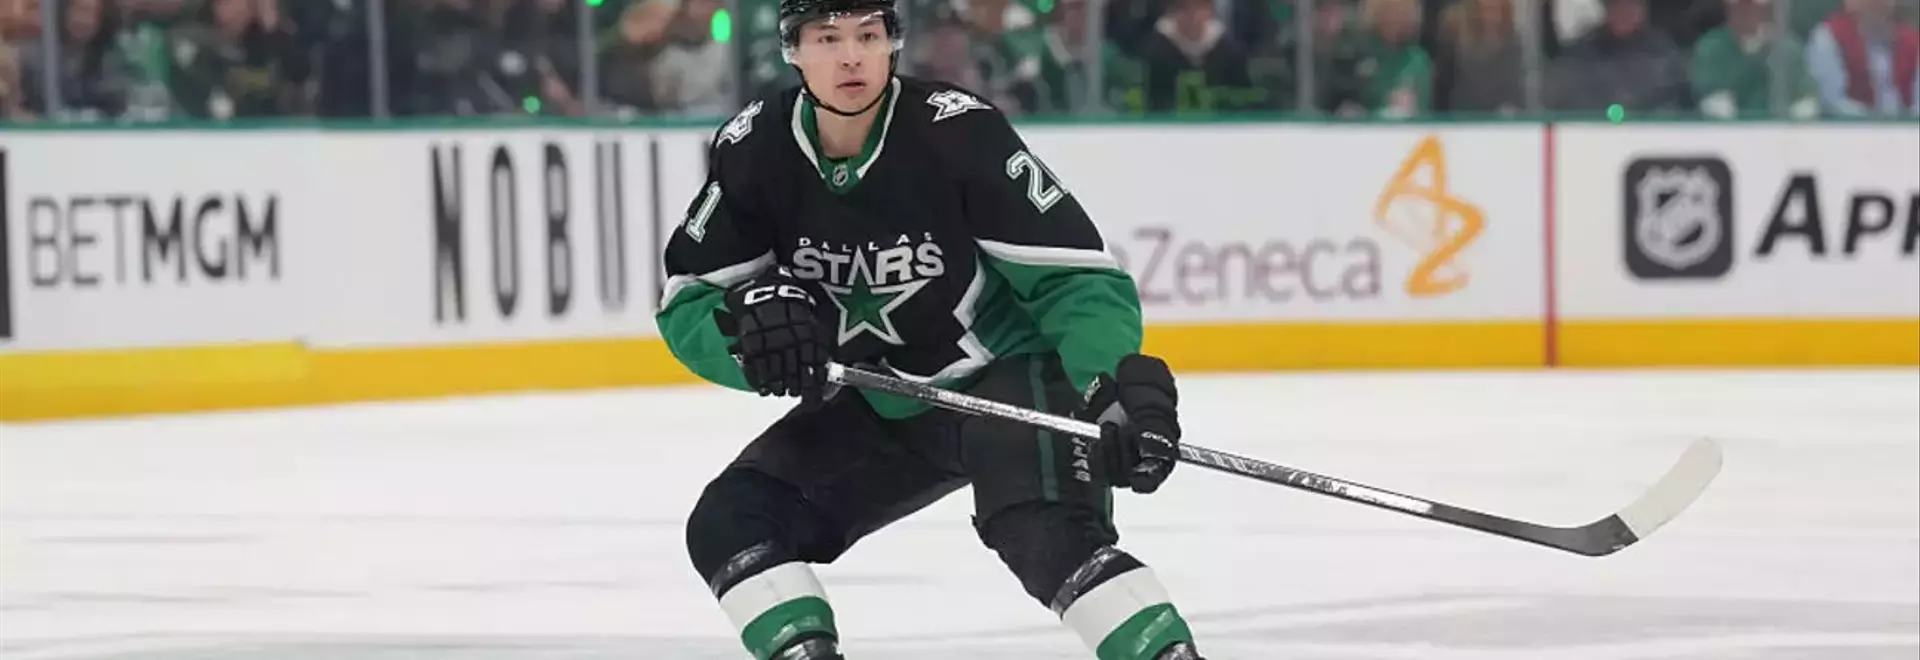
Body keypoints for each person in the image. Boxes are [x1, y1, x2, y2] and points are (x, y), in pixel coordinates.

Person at [651, 0, 1204, 656]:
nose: (851, 57)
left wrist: (1108, 385)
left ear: (893, 43)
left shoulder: (957, 133)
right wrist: (747, 343)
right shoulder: (755, 148)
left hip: (1009, 378)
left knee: (1045, 529)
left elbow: (1076, 280)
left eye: (868, 35)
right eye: (827, 38)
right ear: (791, 51)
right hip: (886, 398)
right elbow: (688, 302)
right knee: (732, 522)